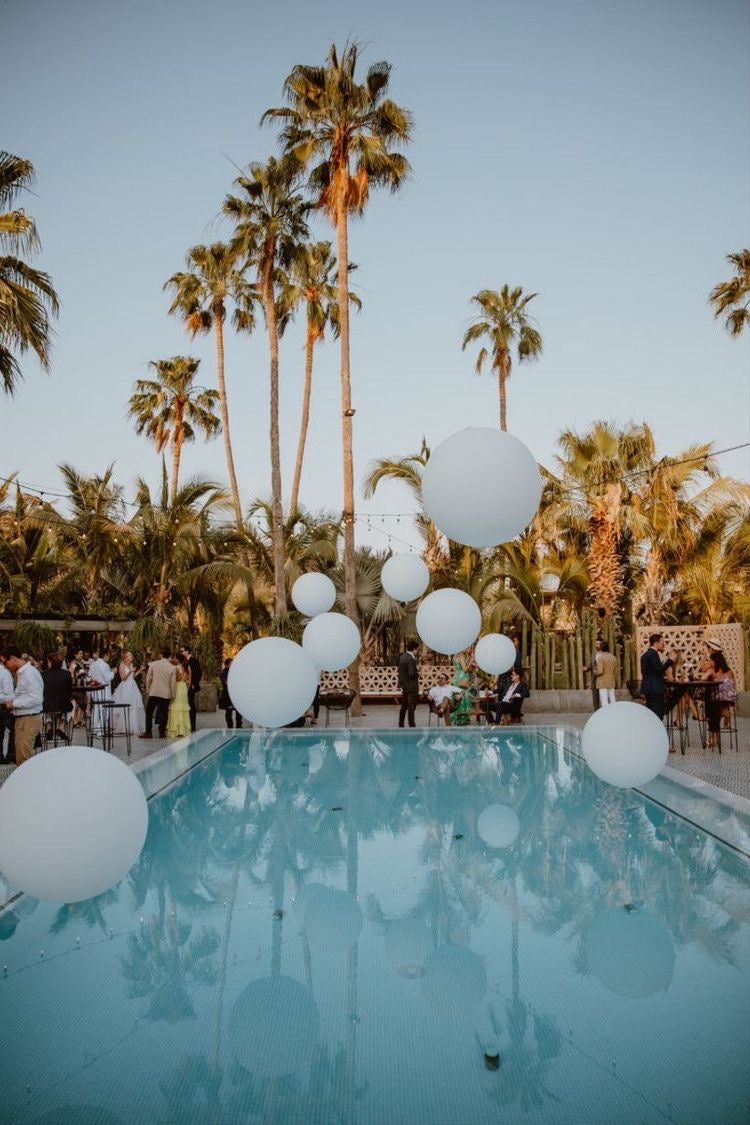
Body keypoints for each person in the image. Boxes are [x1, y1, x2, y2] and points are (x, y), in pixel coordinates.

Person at [3, 646, 44, 764]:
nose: (5, 666)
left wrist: (14, 703)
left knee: (24, 758)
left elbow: (36, 698)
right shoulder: (22, 673)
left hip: (28, 719)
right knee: (21, 756)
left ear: (13, 658)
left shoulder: (29, 673)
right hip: (23, 718)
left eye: (5, 662)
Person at [700, 649, 736, 749]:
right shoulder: (729, 671)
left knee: (712, 711)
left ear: (714, 661)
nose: (710, 662)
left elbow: (703, 678)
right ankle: (725, 713)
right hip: (728, 699)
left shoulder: (712, 670)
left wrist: (703, 659)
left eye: (711, 661)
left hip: (716, 699)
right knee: (716, 712)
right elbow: (733, 685)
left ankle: (712, 738)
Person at [141, 647, 177, 739]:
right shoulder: (173, 668)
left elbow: (148, 678)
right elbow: (173, 683)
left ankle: (148, 732)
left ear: (161, 655)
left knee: (149, 711)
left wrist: (147, 688)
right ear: (169, 656)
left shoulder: (153, 664)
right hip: (165, 693)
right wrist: (173, 694)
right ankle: (162, 732)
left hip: (154, 692)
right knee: (164, 713)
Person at [111, 650, 146, 736]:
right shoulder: (122, 665)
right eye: (129, 655)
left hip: (132, 685)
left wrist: (139, 670)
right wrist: (130, 671)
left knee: (134, 705)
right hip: (125, 687)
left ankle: (133, 727)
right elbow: (123, 678)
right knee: (127, 705)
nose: (131, 656)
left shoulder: (131, 664)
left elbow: (132, 677)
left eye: (131, 655)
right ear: (125, 657)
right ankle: (124, 727)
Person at [41, 652, 74, 742]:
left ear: (50, 662)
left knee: (43, 704)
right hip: (63, 705)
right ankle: (62, 725)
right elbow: (69, 691)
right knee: (72, 703)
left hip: (47, 705)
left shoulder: (43, 674)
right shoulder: (67, 674)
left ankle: (49, 725)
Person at [640, 633, 665, 719]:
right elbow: (659, 670)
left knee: (651, 714)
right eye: (662, 643)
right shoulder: (653, 655)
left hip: (648, 688)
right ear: (656, 643)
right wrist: (670, 661)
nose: (663, 645)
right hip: (655, 689)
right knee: (657, 715)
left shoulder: (645, 655)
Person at [166, 654, 192, 738]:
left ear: (177, 659)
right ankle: (183, 729)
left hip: (177, 687)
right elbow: (189, 680)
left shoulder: (176, 667)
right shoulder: (187, 667)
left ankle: (177, 729)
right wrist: (186, 688)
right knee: (183, 707)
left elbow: (176, 679)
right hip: (183, 687)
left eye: (174, 658)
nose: (173, 659)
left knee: (175, 707)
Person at [397, 638, 420, 728]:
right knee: (411, 707)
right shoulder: (411, 659)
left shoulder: (402, 656)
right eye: (417, 649)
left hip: (404, 686)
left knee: (404, 706)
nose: (417, 651)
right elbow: (411, 674)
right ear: (414, 648)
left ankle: (401, 723)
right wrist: (418, 673)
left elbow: (401, 672)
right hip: (411, 687)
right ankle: (412, 724)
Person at [450, 649, 476, 726]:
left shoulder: (455, 656)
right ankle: (463, 719)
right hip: (462, 677)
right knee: (464, 697)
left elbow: (457, 668)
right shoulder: (461, 656)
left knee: (458, 697)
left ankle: (457, 718)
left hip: (457, 677)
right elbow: (464, 669)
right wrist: (471, 661)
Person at [180, 645, 202, 733]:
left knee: (190, 704)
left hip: (191, 686)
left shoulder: (194, 661)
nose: (181, 652)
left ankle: (192, 725)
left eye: (182, 651)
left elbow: (198, 673)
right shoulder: (183, 661)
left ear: (187, 651)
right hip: (183, 686)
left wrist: (193, 684)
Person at [218, 657, 243, 728]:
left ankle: (239, 725)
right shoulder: (223, 672)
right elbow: (227, 682)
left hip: (236, 695)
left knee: (239, 711)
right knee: (229, 712)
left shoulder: (236, 672)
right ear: (226, 665)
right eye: (231, 664)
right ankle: (230, 726)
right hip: (227, 695)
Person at [0, 651, 15, 762]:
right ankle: (9, 755)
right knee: (10, 730)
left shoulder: (4, 673)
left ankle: (6, 756)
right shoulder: (5, 673)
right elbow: (9, 694)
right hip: (4, 705)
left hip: (3, 705)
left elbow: (9, 695)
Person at [594, 640, 617, 706]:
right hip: (611, 681)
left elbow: (600, 671)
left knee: (604, 701)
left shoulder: (600, 658)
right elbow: (615, 670)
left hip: (602, 682)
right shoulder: (613, 657)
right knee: (612, 699)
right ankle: (615, 711)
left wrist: (595, 672)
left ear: (601, 648)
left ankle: (606, 712)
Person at [583, 638, 603, 711]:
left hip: (602, 678)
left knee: (603, 697)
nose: (597, 645)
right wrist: (587, 668)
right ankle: (596, 711)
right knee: (595, 696)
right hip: (594, 678)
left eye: (598, 644)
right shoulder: (594, 654)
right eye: (596, 644)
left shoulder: (605, 654)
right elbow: (592, 665)